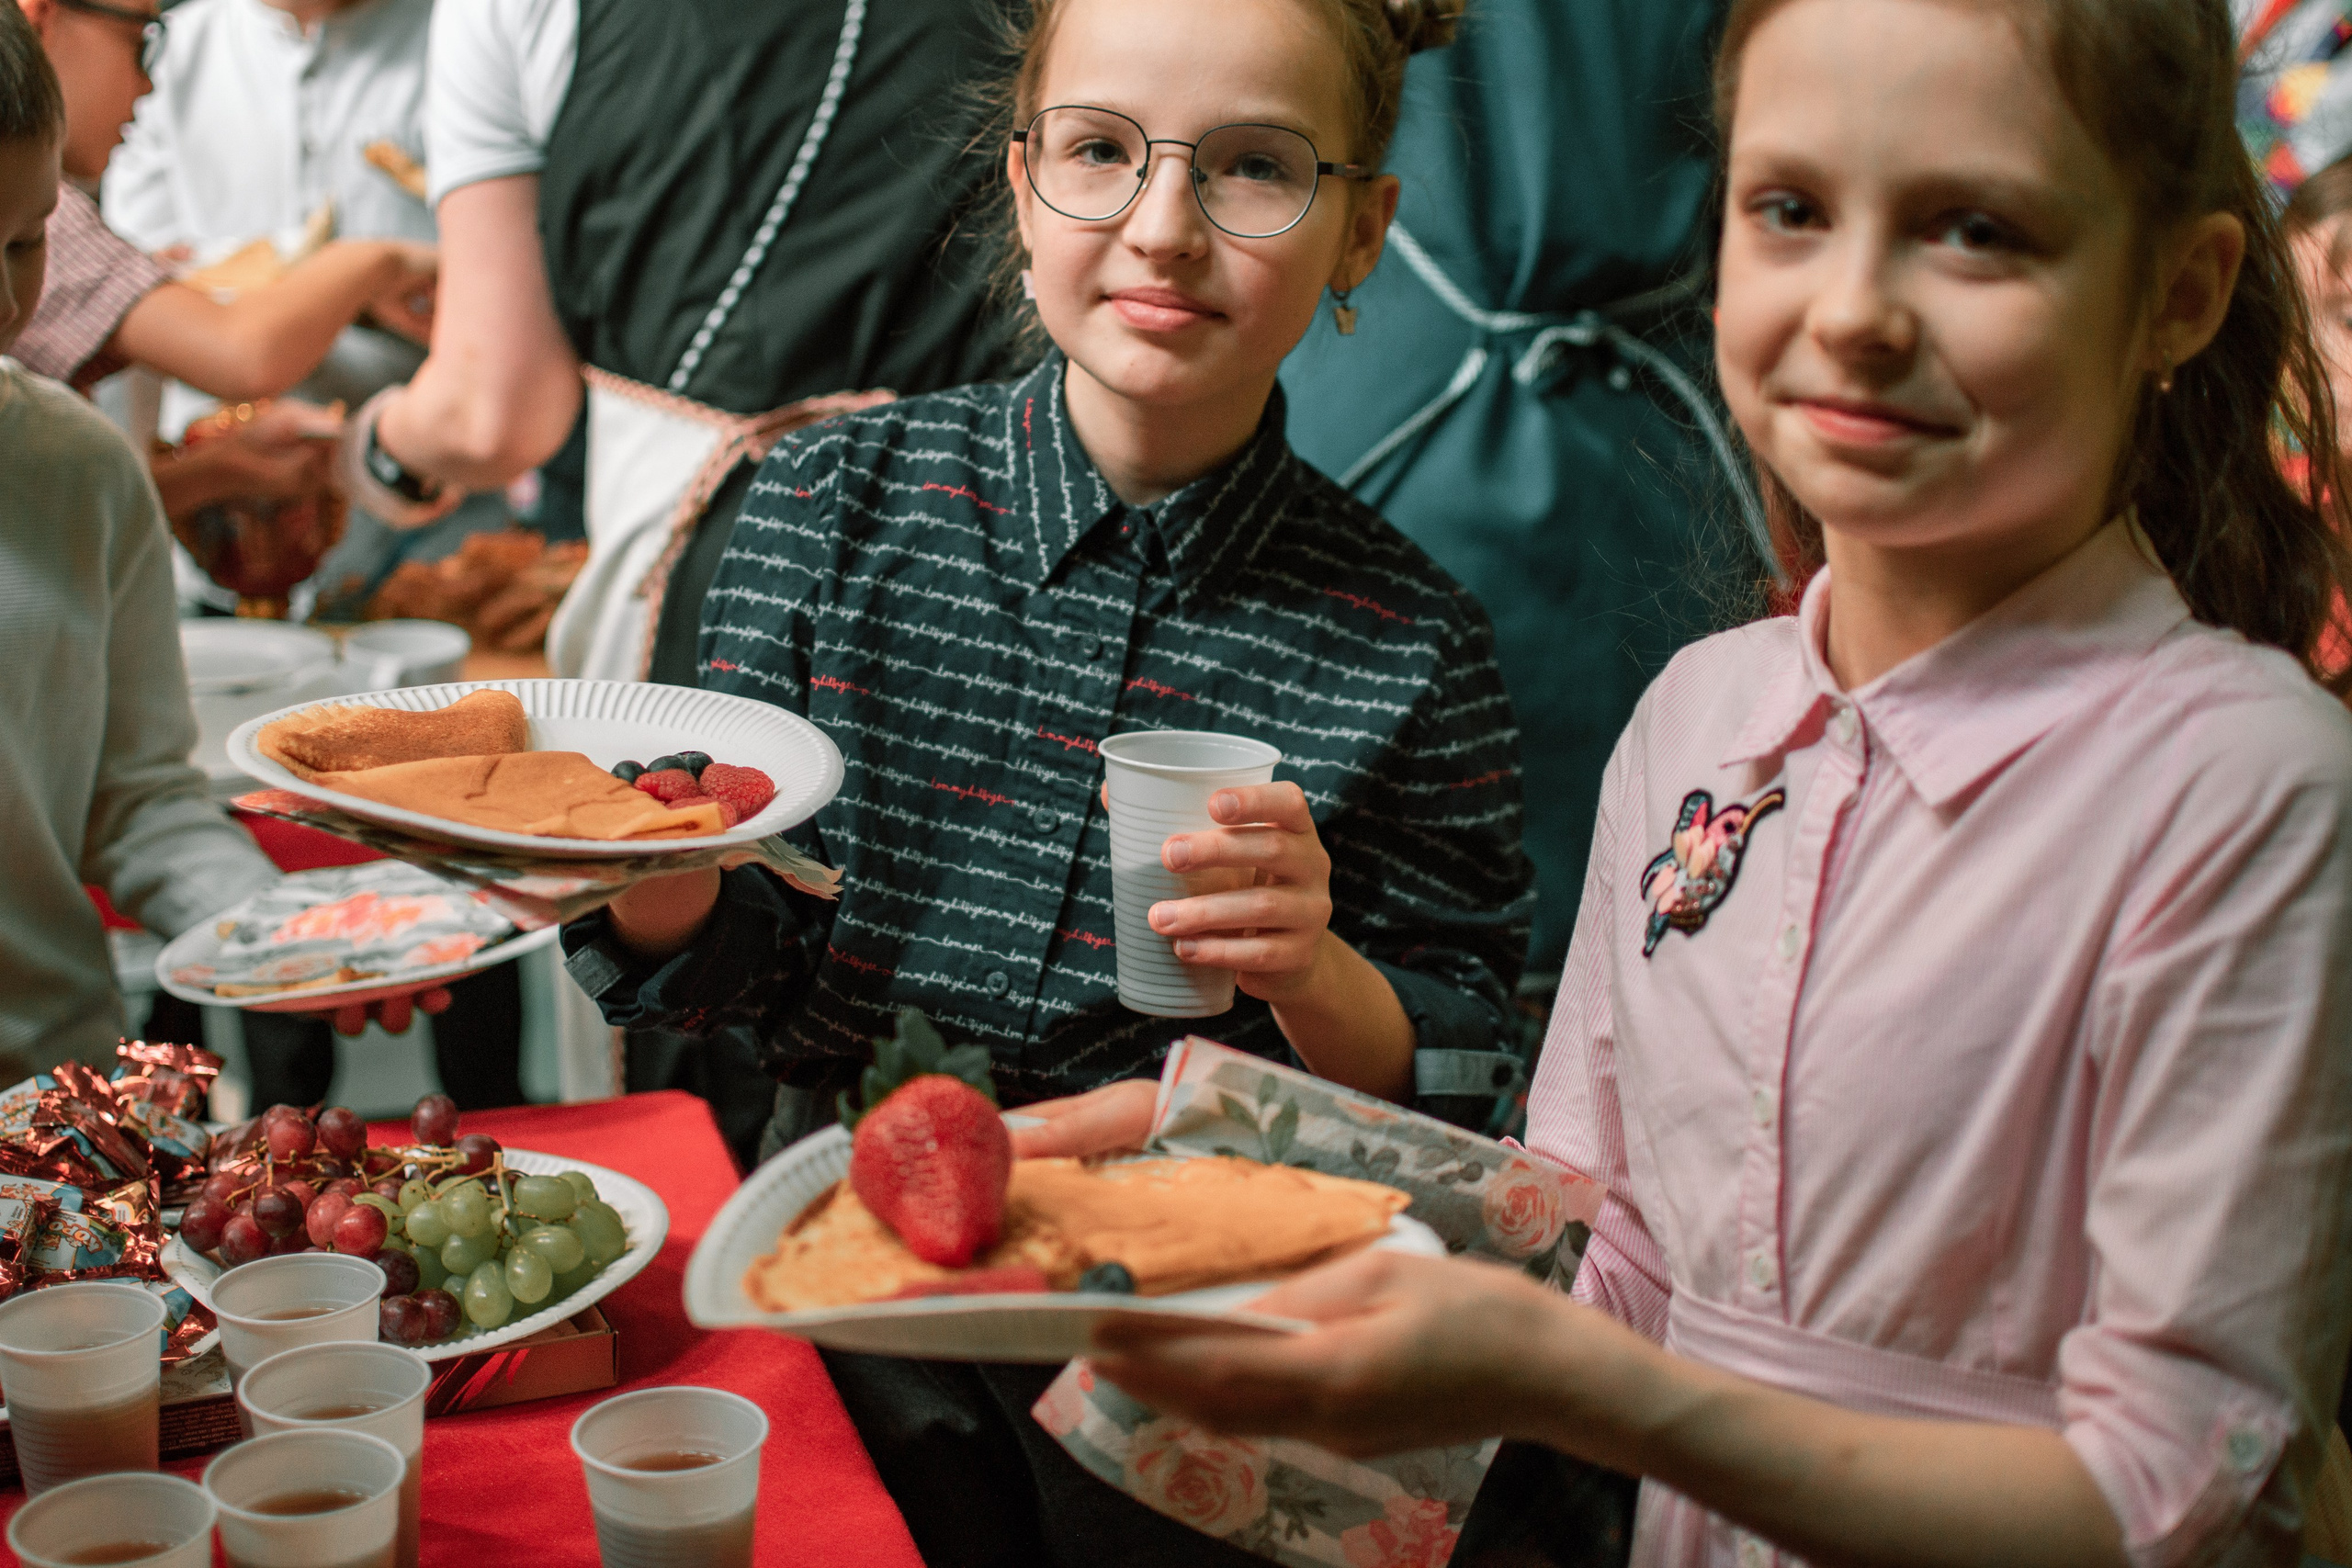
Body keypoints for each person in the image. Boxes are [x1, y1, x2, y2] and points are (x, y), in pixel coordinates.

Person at [1075, 3, 2352, 1565]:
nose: (1858, 312)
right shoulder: (1698, 719)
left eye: (1975, 229)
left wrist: (1603, 1390)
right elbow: (1600, 1264)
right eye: (1793, 210)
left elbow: (2184, 1487)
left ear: (2180, 294)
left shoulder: (2243, 789)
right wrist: (1242, 1160)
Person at [562, 0, 1529, 1556]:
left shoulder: (1408, 643)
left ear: (1361, 233)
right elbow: (736, 985)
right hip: (840, 1278)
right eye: (1101, 153)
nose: (1164, 228)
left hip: (1186, 1352)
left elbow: (1477, 1070)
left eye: (1257, 169)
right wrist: (665, 887)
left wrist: (1316, 967)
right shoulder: (820, 510)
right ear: (1022, 185)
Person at [347, 0, 1033, 1131]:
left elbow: (491, 408)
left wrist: (369, 454)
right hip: (986, 559)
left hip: (690, 583)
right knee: (954, 1066)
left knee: (695, 1026)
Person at [0, 5, 444, 1084]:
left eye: (22, 243)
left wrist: (281, 928)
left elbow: (139, 798)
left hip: (53, 1111)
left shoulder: (78, 469)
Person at [96, 0, 526, 1111]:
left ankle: (502, 1122)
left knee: (463, 848)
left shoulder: (471, 29)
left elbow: (512, 321)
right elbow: (142, 285)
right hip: (221, 525)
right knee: (233, 808)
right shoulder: (169, 44)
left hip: (424, 524)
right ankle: (277, 1123)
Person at [100, 0, 512, 620]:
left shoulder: (477, 31)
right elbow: (123, 292)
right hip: (207, 533)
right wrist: (356, 283)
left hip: (433, 545)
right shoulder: (165, 48)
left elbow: (531, 287)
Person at [7, 0, 435, 530]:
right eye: (140, 44)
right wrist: (377, 261)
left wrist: (218, 472)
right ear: (40, 17)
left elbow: (62, 511)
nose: (149, 88)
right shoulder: (41, 208)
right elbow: (243, 354)